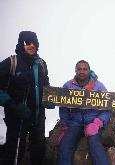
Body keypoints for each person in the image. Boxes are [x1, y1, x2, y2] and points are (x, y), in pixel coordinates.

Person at [0, 31, 51, 165]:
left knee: (38, 151)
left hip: (38, 117)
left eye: (34, 43)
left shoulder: (42, 64)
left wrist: (49, 99)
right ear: (21, 44)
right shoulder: (12, 62)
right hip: (17, 118)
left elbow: (46, 84)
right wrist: (12, 105)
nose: (31, 45)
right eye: (27, 42)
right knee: (15, 152)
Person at [57, 60, 111, 165]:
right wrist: (64, 126)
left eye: (85, 69)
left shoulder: (99, 86)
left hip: (92, 122)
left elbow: (108, 108)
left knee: (95, 146)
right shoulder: (68, 86)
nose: (82, 71)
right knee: (65, 146)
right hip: (74, 123)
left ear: (89, 71)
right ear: (75, 70)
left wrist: (97, 123)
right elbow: (63, 107)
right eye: (79, 69)